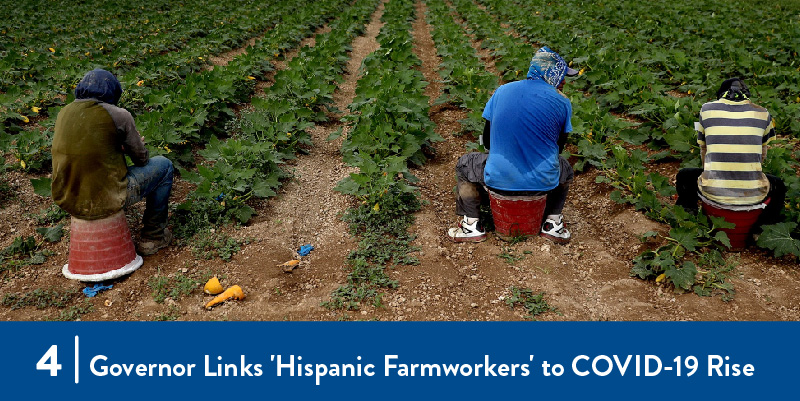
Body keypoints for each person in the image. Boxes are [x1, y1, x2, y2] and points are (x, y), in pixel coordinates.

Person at [448, 47, 578, 243]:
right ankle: (553, 223)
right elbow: (559, 148)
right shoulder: (562, 101)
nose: (564, 81)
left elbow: (488, 140)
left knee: (466, 164)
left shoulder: (502, 91)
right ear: (550, 75)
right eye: (561, 76)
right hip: (542, 183)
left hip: (499, 180)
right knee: (565, 168)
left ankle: (472, 224)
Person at [51, 68, 174, 255]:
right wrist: (131, 145)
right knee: (164, 166)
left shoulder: (64, 113)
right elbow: (141, 159)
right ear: (112, 92)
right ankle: (153, 236)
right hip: (107, 196)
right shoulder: (118, 114)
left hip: (68, 195)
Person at [675, 77, 786, 230]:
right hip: (753, 196)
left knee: (684, 176)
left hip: (713, 192)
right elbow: (762, 155)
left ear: (721, 94)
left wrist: (711, 172)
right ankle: (761, 228)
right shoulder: (763, 113)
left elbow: (704, 151)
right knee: (779, 186)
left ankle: (690, 214)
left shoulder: (707, 110)